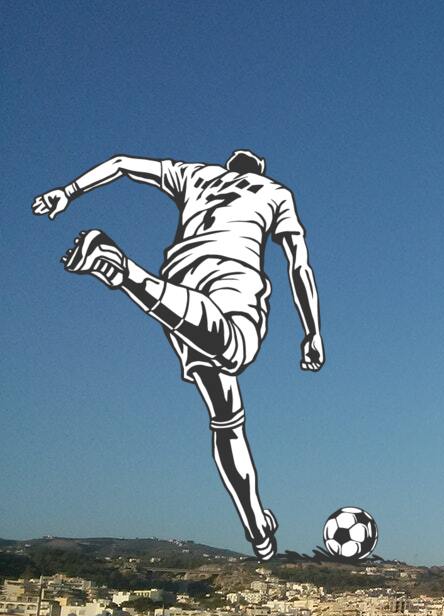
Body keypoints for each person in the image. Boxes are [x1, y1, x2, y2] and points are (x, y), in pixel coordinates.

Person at [32, 150, 324, 560]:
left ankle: (256, 523)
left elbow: (120, 164)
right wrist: (311, 331)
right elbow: (299, 265)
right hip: (230, 276)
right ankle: (124, 271)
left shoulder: (193, 175)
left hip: (180, 284)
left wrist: (68, 192)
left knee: (227, 415)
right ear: (258, 169)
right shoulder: (274, 191)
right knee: (235, 349)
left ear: (230, 165)